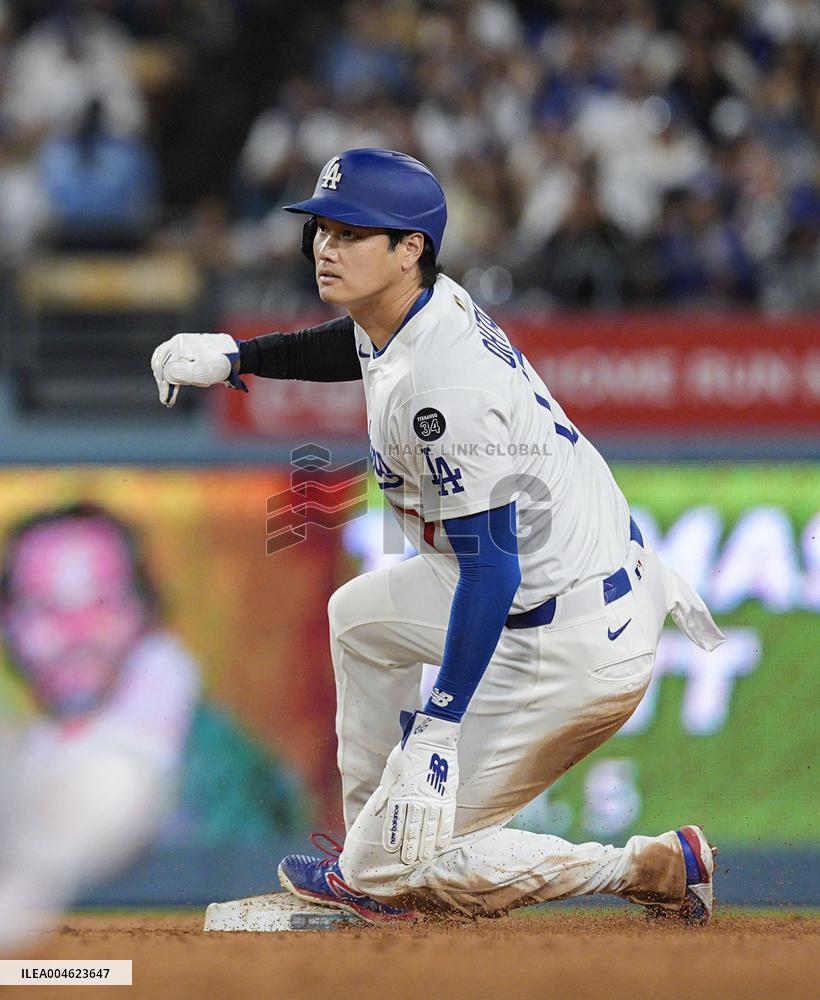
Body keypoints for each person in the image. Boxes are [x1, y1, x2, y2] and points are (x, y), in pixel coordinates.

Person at [151, 148, 725, 924]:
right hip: (551, 585)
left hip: (572, 636)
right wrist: (237, 357)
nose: (326, 246)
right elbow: (343, 346)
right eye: (322, 228)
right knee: (359, 620)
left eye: (352, 232)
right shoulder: (407, 309)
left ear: (409, 248)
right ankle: (370, 863)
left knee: (413, 859)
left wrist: (440, 726)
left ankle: (650, 866)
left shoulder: (443, 386)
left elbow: (491, 571)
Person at [0, 503, 303, 949]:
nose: (77, 631)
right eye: (44, 606)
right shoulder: (25, 744)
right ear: (8, 622)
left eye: (102, 601)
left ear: (146, 611)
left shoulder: (222, 767)